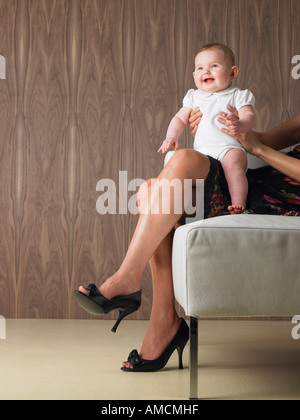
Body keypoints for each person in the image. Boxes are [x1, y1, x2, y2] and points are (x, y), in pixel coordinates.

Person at [74, 116, 300, 371]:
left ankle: (140, 297)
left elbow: (260, 147)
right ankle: (161, 314)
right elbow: (264, 140)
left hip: (281, 203)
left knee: (159, 189)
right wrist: (223, 128)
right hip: (249, 187)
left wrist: (258, 149)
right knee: (154, 186)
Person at [158, 43, 255, 214]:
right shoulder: (194, 96)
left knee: (234, 167)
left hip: (229, 148)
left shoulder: (238, 95)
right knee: (187, 175)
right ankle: (179, 214)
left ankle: (238, 203)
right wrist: (171, 136)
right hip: (203, 152)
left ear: (232, 73)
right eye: (200, 68)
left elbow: (249, 117)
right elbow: (180, 118)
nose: (206, 71)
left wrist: (240, 125)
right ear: (195, 75)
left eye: (214, 66)